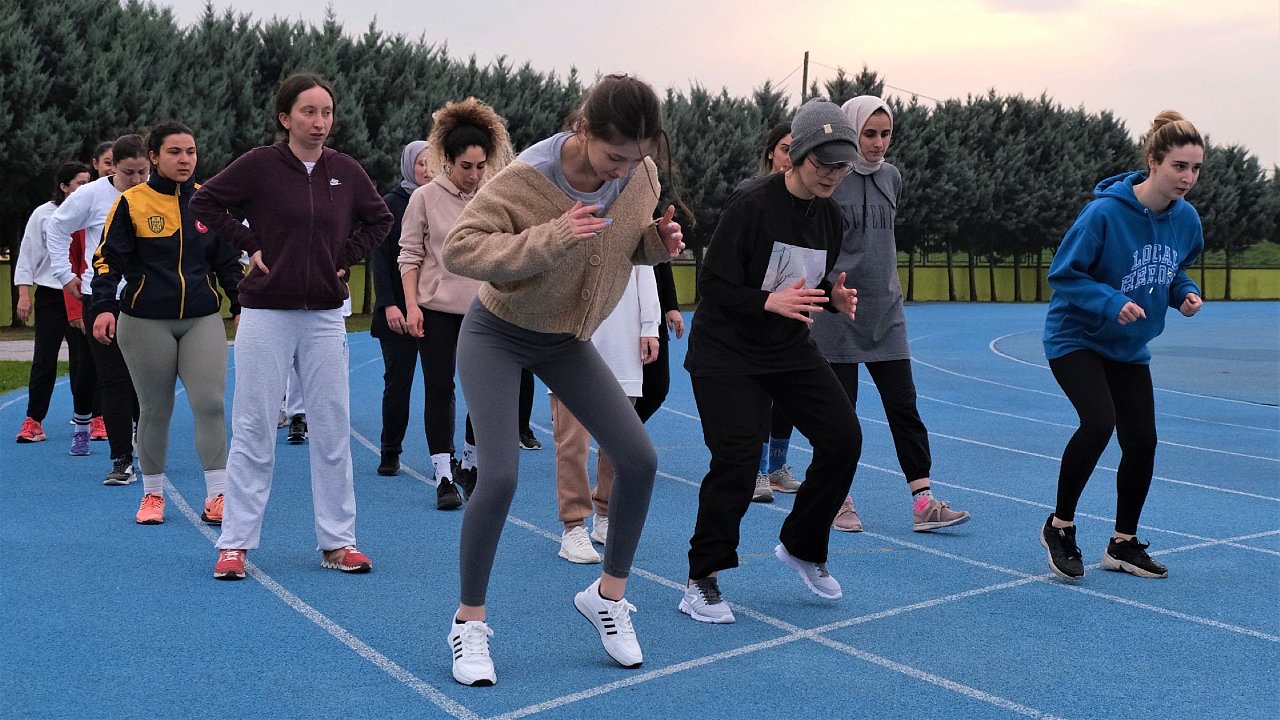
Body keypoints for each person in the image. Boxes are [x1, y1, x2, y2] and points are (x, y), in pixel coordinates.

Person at [441, 74, 685, 685]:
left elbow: (624, 245)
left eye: (636, 158)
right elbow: (460, 250)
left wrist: (656, 243)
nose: (622, 171)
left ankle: (607, 597)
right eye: (613, 157)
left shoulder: (640, 174)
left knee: (640, 460)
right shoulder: (526, 177)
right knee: (499, 475)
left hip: (566, 340)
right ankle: (469, 623)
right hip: (498, 333)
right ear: (583, 129)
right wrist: (552, 236)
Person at [190, 73, 393, 580]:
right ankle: (235, 543)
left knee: (332, 428)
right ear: (285, 118)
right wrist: (249, 244)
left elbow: (380, 219)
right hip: (266, 312)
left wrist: (341, 258)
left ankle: (338, 542)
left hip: (324, 315)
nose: (319, 122)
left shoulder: (345, 170)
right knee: (253, 426)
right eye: (308, 111)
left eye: (326, 112)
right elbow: (204, 202)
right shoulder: (260, 164)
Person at [680, 99, 861, 625]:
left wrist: (832, 298)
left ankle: (803, 545)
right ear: (797, 154)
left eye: (842, 166)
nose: (833, 175)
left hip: (787, 349)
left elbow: (807, 280)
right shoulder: (752, 203)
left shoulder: (830, 216)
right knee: (737, 462)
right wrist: (766, 302)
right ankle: (701, 578)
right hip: (726, 352)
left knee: (843, 438)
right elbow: (713, 283)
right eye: (823, 163)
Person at [1039, 110, 1205, 581]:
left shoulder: (1186, 219)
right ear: (1153, 162)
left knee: (1142, 441)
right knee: (1098, 422)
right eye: (1179, 166)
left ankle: (1123, 544)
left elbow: (1174, 268)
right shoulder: (1104, 214)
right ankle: (1060, 527)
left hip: (1128, 345)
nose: (1188, 177)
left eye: (1195, 168)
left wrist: (1183, 293)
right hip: (1076, 337)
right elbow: (1063, 274)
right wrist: (1111, 301)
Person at [810, 96, 971, 534]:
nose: (878, 143)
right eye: (869, 133)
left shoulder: (892, 178)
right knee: (841, 417)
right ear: (852, 131)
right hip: (838, 311)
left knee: (904, 407)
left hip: (886, 311)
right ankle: (838, 499)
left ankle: (924, 502)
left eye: (885, 134)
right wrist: (827, 293)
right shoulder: (832, 179)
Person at [90, 121, 242, 526]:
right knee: (155, 408)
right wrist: (103, 305)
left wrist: (240, 304)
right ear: (154, 157)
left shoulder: (209, 202)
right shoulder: (131, 203)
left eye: (191, 151)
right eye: (175, 152)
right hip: (145, 321)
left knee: (210, 403)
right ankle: (153, 494)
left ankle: (218, 495)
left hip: (201, 318)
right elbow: (107, 259)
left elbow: (228, 261)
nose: (185, 159)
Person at [399, 97, 514, 510]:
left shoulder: (494, 196)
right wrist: (412, 306)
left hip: (484, 311)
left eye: (481, 166)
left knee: (484, 391)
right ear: (447, 160)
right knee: (439, 388)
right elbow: (409, 255)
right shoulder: (424, 198)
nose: (474, 175)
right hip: (435, 311)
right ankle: (444, 476)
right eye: (466, 166)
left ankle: (471, 462)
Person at [46, 134, 151, 485]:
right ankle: (121, 458)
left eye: (143, 172)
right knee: (113, 377)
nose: (136, 180)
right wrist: (65, 275)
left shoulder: (159, 192)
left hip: (149, 299)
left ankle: (147, 445)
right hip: (102, 297)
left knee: (146, 379)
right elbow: (56, 227)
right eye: (128, 173)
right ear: (112, 166)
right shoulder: (90, 195)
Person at [552, 265, 661, 563]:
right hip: (567, 340)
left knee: (618, 444)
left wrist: (650, 326)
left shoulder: (633, 230)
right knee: (573, 443)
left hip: (622, 343)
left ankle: (605, 514)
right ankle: (573, 526)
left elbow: (645, 269)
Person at [13, 162, 93, 451]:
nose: (86, 187)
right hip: (50, 294)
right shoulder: (44, 214)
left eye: (89, 182)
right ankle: (34, 420)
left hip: (82, 293)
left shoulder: (92, 213)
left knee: (84, 360)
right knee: (44, 359)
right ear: (64, 186)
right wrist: (24, 294)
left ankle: (92, 418)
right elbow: (28, 254)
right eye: (80, 183)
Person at [749, 122, 803, 503]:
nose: (790, 158)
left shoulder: (805, 203)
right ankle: (756, 469)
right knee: (758, 394)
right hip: (757, 309)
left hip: (792, 309)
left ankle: (777, 467)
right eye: (785, 149)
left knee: (788, 393)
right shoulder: (753, 196)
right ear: (771, 152)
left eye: (797, 152)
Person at [370, 139, 430, 476]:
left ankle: (444, 458)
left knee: (441, 387)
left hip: (435, 310)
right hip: (396, 312)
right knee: (398, 384)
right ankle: (390, 451)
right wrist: (389, 304)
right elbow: (380, 259)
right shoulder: (389, 205)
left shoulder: (443, 201)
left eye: (433, 162)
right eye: (421, 163)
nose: (427, 170)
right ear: (409, 165)